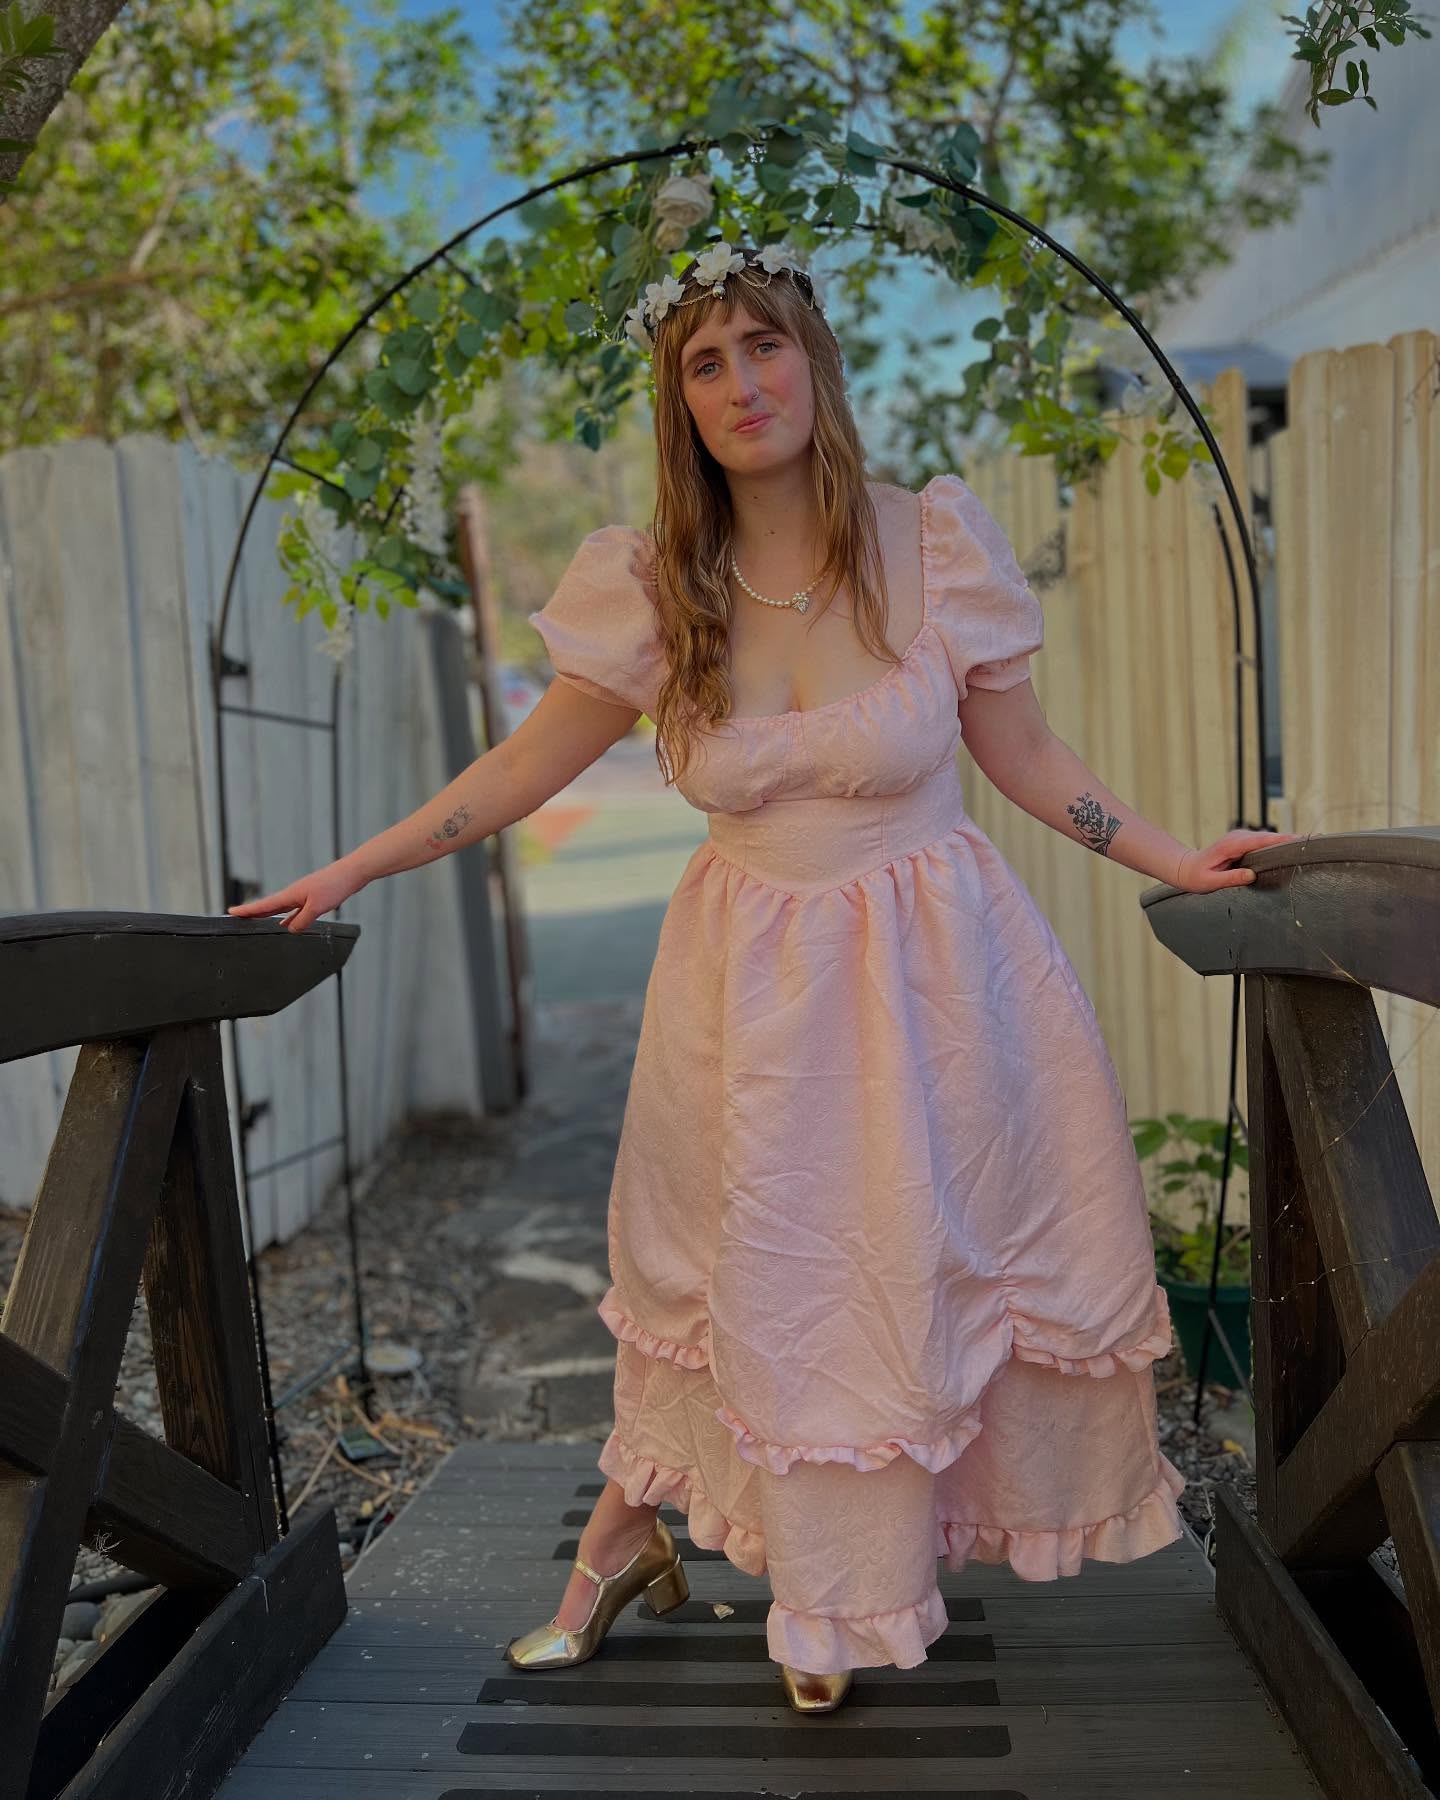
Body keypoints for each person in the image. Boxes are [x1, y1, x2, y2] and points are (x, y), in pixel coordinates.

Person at [228, 240, 1299, 1714]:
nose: (744, 383)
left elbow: (1030, 762)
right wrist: (358, 864)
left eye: (764, 345)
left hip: (939, 992)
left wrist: (1175, 862)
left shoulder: (934, 543)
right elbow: (520, 771)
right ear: (680, 400)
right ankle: (638, 1547)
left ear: (816, 356)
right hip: (746, 1004)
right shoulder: (658, 584)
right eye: (706, 362)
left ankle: (831, 1595)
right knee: (750, 1289)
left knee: (898, 1288)